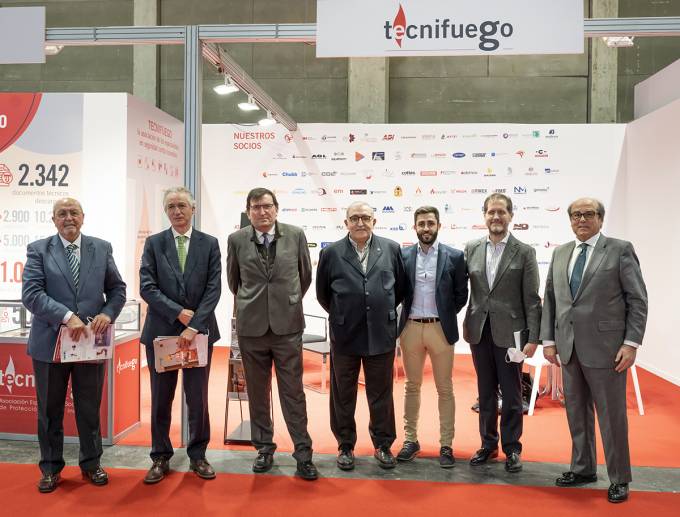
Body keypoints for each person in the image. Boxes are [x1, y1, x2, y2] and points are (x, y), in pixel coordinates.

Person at [541, 198, 647, 504]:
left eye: (588, 214)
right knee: (576, 413)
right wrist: (549, 340)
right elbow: (551, 299)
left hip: (607, 350)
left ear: (600, 219)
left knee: (612, 417)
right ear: (570, 220)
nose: (582, 219)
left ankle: (620, 478)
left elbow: (637, 299)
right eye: (576, 215)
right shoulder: (561, 252)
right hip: (569, 347)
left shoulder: (619, 250)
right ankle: (583, 468)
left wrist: (631, 343)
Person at [22, 197, 126, 493]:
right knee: (49, 411)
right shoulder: (39, 250)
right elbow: (31, 294)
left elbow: (117, 289)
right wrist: (68, 317)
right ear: (53, 219)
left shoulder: (101, 248)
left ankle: (91, 464)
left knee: (89, 409)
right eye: (62, 213)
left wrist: (107, 314)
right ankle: (50, 468)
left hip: (90, 344)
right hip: (49, 344)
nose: (68, 218)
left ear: (83, 216)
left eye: (73, 213)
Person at [227, 187, 318, 481]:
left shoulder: (296, 235)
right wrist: (254, 303)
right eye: (255, 207)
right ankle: (264, 448)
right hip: (252, 328)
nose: (262, 212)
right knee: (257, 392)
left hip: (287, 327)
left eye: (267, 206)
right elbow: (233, 281)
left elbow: (304, 277)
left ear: (276, 208)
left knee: (293, 392)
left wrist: (285, 301)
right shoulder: (236, 240)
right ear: (248, 211)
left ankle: (303, 453)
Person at [316, 201, 408, 470]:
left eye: (365, 218)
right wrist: (345, 313)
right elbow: (323, 293)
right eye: (354, 218)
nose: (360, 222)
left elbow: (400, 289)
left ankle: (383, 444)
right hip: (345, 334)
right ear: (346, 222)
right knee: (343, 394)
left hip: (381, 333)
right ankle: (345, 445)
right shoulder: (331, 253)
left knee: (381, 394)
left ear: (374, 221)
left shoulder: (391, 249)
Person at [140, 186, 221, 484]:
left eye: (182, 206)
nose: (177, 211)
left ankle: (198, 455)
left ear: (193, 209)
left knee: (197, 398)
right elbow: (147, 287)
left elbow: (214, 289)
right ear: (166, 211)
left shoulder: (209, 244)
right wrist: (178, 313)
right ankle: (160, 456)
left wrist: (194, 324)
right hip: (161, 333)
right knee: (161, 399)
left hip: (198, 334)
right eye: (171, 206)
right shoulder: (154, 243)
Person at [463, 193, 541, 473]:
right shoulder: (471, 247)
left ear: (511, 216)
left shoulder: (524, 252)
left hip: (512, 335)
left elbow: (532, 299)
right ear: (484, 215)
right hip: (479, 331)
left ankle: (512, 448)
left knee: (511, 394)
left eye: (501, 212)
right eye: (491, 212)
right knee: (485, 392)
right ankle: (488, 444)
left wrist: (533, 338)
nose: (496, 217)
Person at [396, 206, 468, 467]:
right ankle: (410, 440)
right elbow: (397, 290)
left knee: (445, 388)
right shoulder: (403, 255)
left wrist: (444, 315)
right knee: (411, 386)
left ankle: (446, 444)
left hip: (440, 329)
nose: (426, 228)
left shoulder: (455, 256)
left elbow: (461, 295)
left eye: (430, 223)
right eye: (421, 224)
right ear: (414, 227)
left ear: (439, 225)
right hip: (411, 328)